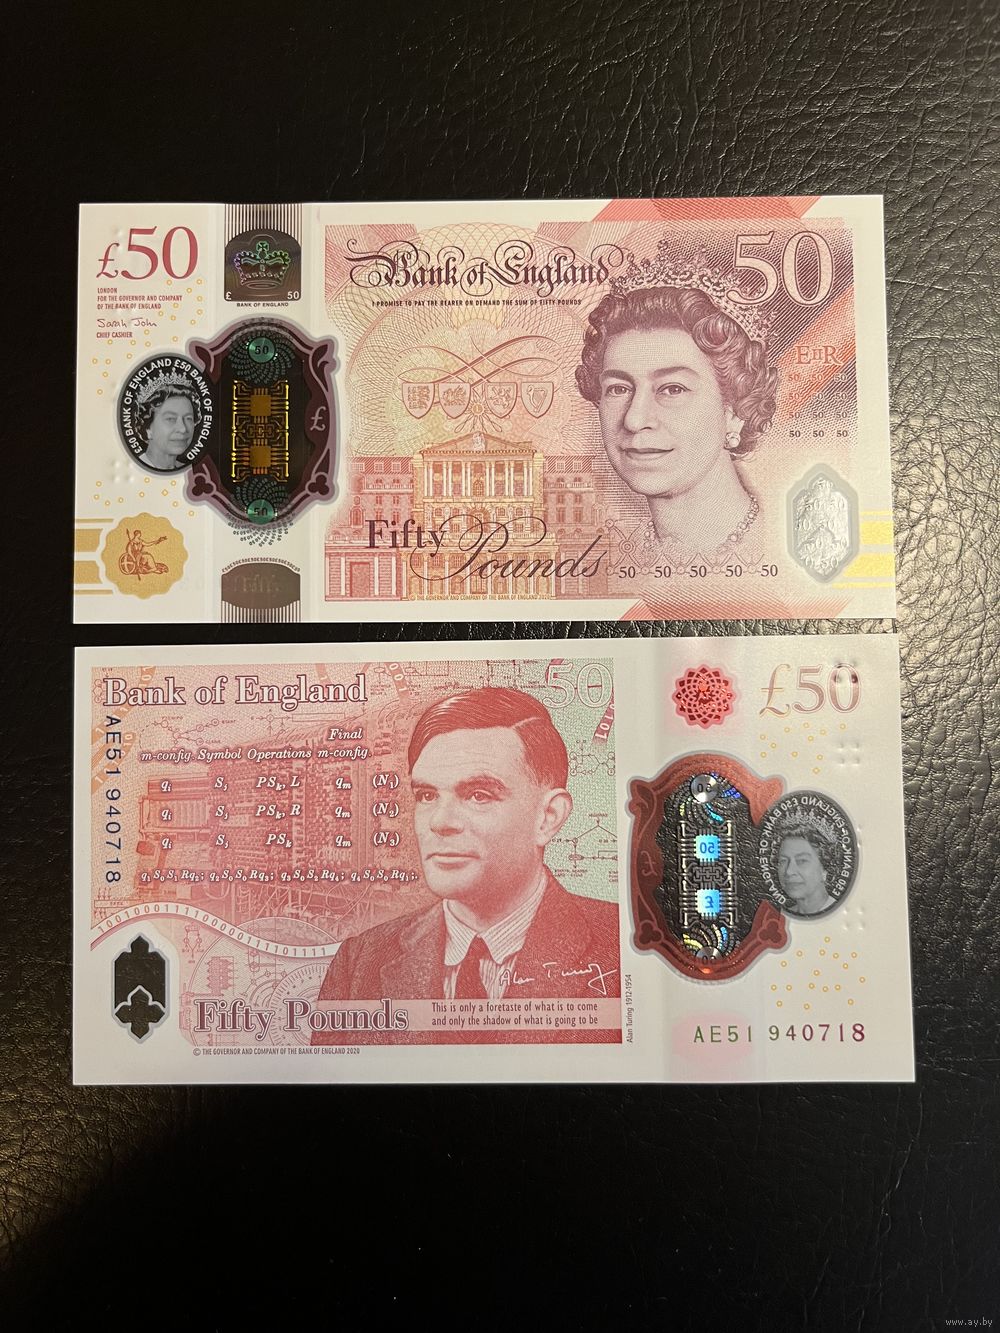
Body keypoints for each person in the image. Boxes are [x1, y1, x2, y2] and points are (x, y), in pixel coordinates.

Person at [312, 687, 620, 1028]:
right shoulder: (358, 962)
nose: (440, 822)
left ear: (547, 818)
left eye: (478, 795)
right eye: (427, 795)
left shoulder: (620, 947)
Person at [576, 283, 778, 559]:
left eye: (672, 389)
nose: (634, 420)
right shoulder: (619, 557)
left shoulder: (779, 549)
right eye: (619, 389)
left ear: (735, 412)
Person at [774, 820, 838, 916]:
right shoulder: (780, 917)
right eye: (783, 861)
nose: (789, 871)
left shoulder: (842, 912)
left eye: (801, 861)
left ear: (824, 869)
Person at [134, 385, 200, 471]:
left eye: (188, 418)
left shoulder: (192, 471)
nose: (183, 429)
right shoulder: (132, 469)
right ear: (147, 428)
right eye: (171, 419)